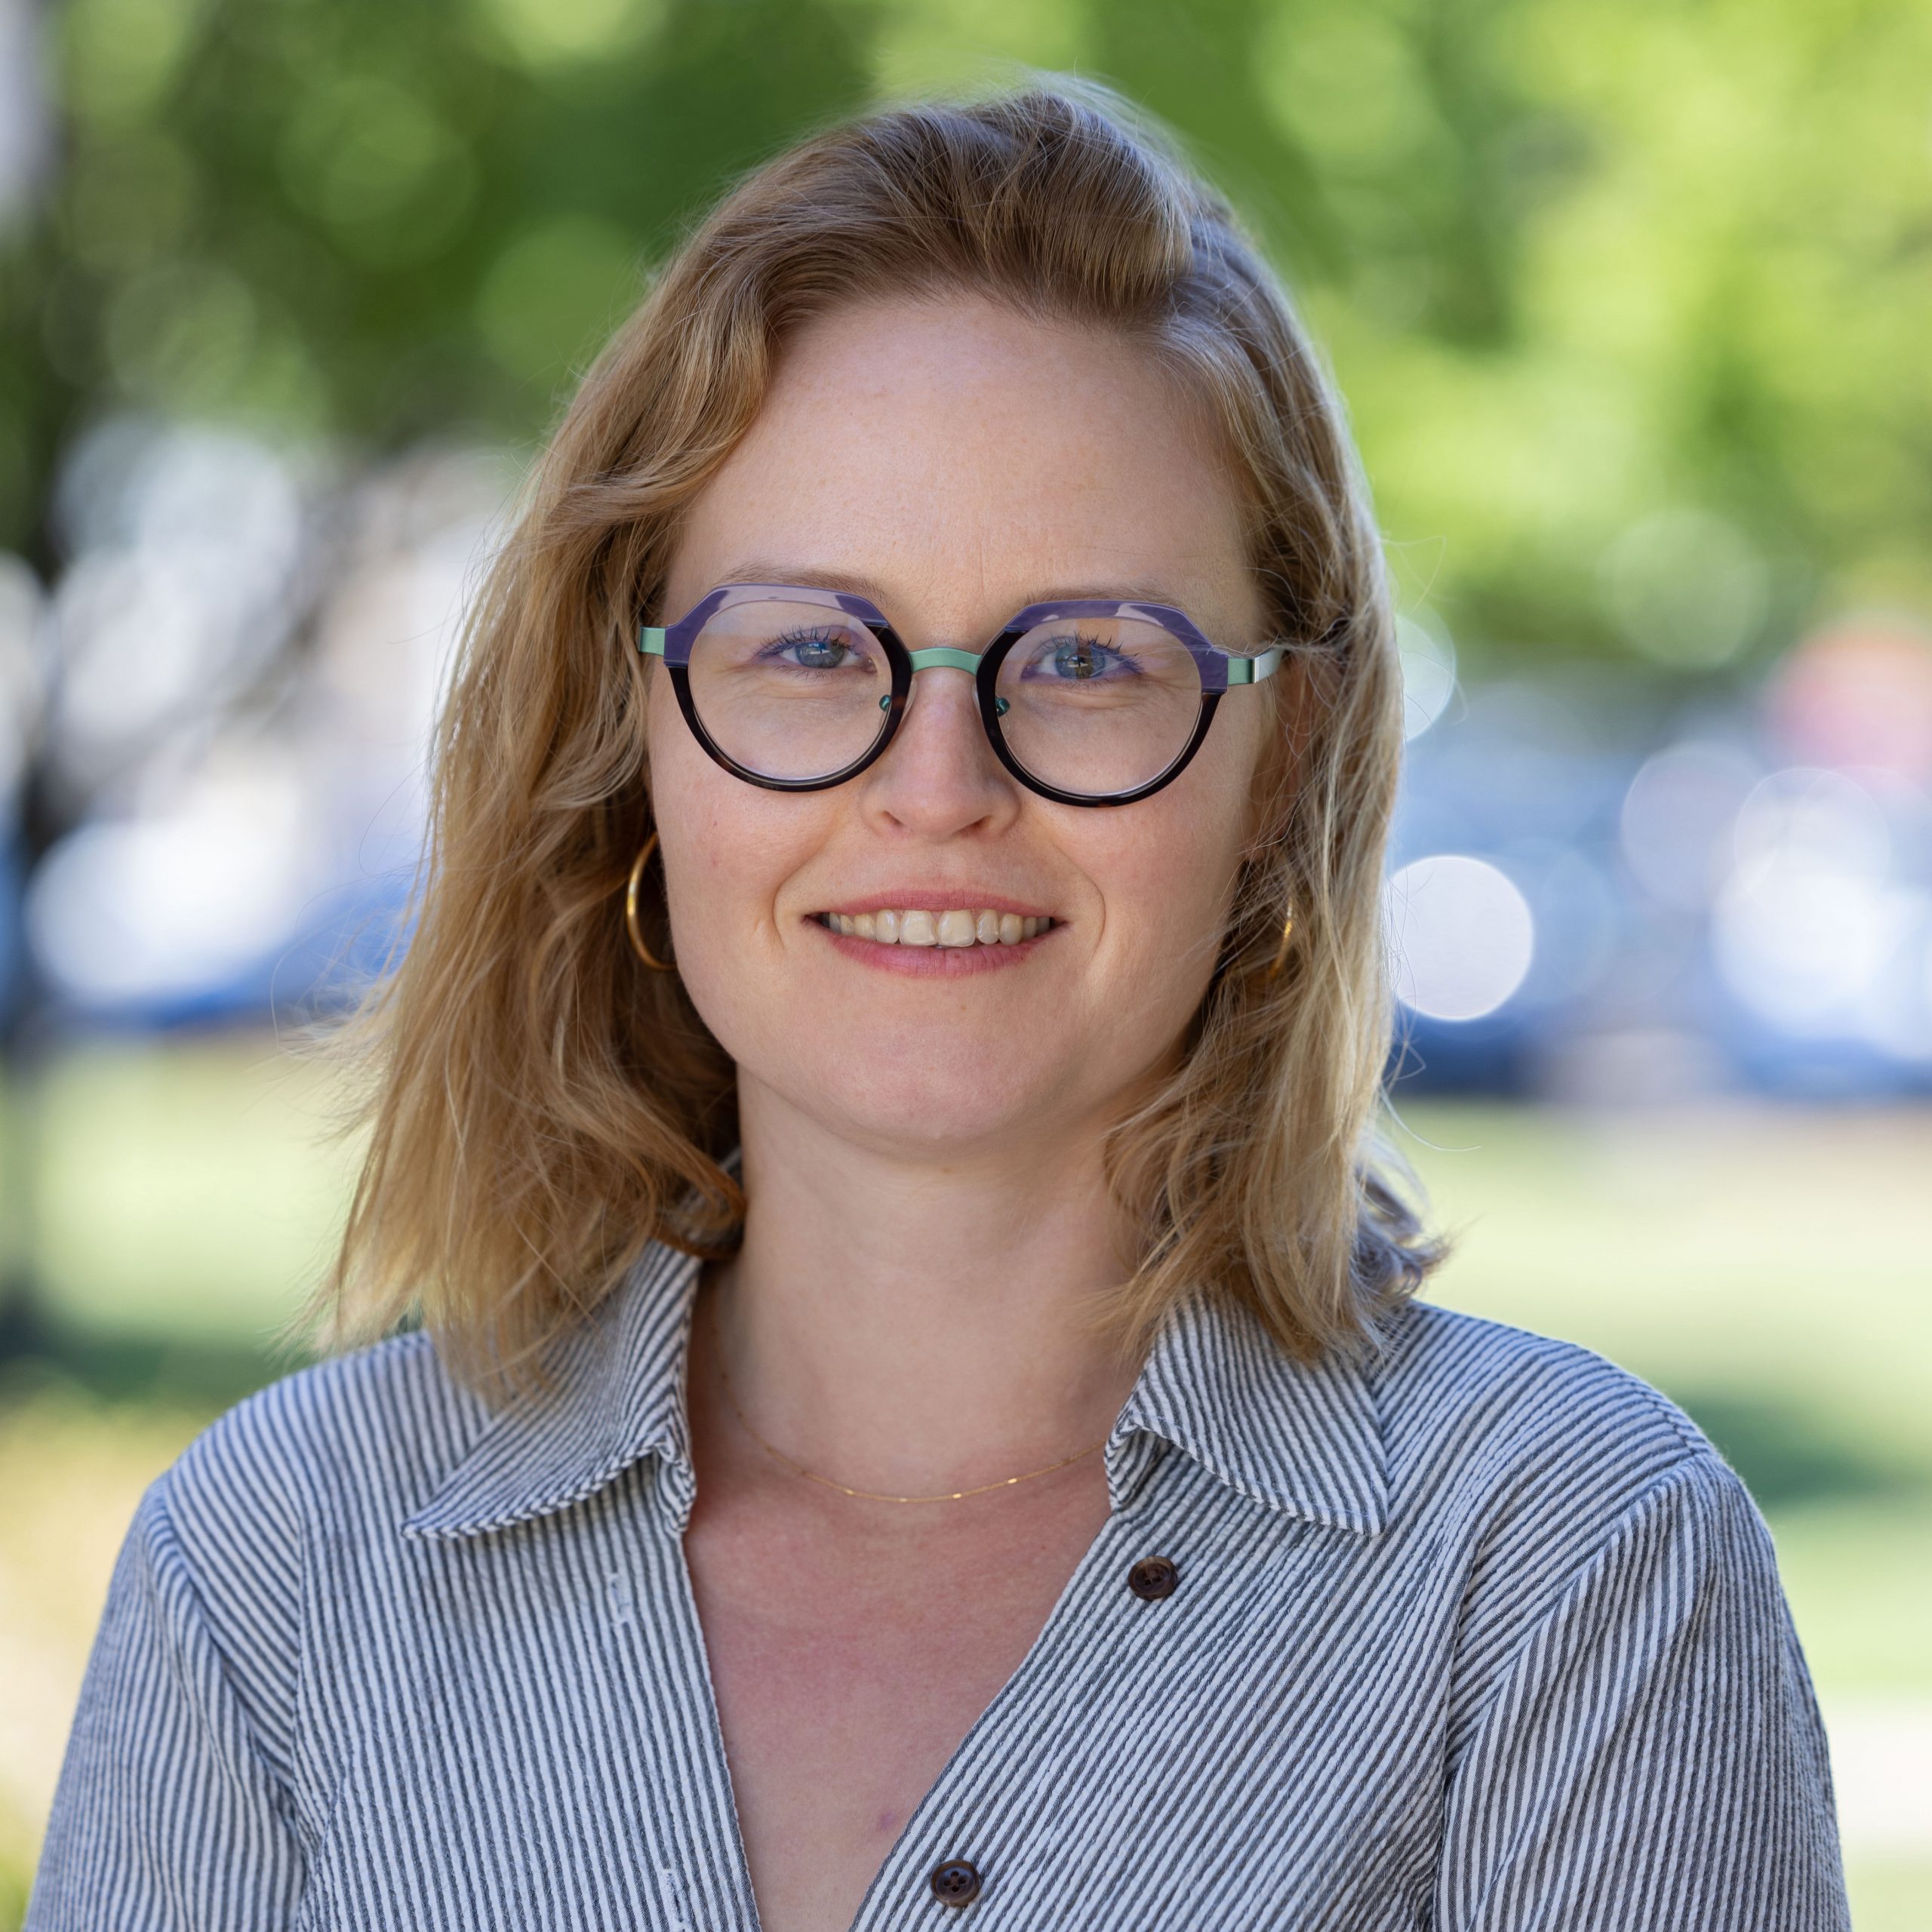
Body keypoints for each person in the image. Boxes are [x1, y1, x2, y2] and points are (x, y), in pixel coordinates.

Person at [29, 80, 1850, 1932]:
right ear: (632, 720)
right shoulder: (276, 1570)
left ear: (1276, 755)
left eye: (1083, 659)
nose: (937, 782)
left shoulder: (1567, 1575)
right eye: (813, 647)